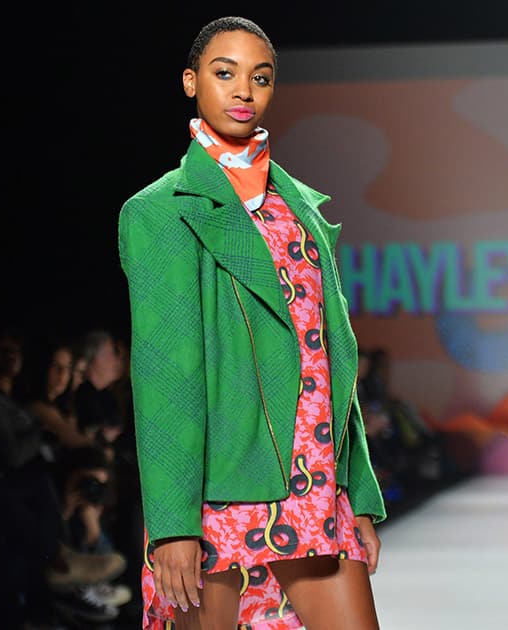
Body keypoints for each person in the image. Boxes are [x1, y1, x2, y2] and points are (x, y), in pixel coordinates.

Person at [117, 16, 386, 630]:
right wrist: (172, 524)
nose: (244, 90)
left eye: (259, 77)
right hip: (220, 492)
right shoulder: (161, 213)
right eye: (224, 73)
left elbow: (333, 360)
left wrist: (358, 492)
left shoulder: (303, 212)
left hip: (315, 483)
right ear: (191, 82)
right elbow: (166, 380)